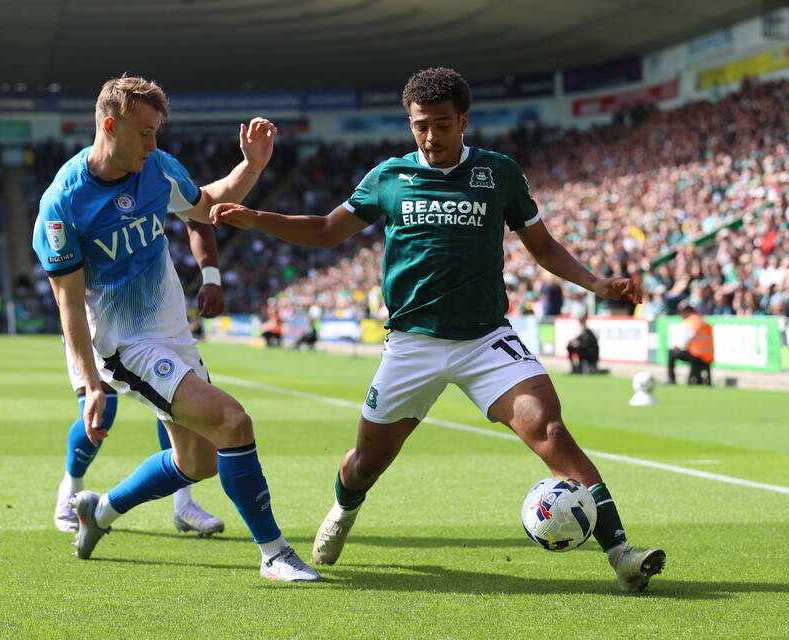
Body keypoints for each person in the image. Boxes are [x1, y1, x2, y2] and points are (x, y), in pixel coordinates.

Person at [213, 67, 665, 592]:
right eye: (421, 125)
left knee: (551, 431)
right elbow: (324, 231)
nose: (432, 136)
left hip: (485, 340)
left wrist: (595, 283)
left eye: (443, 124)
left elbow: (540, 245)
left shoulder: (499, 173)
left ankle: (622, 555)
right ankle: (343, 508)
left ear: (464, 121)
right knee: (365, 463)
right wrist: (257, 217)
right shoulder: (388, 177)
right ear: (410, 123)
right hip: (412, 345)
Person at [32, 74, 320, 582]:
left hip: (174, 336)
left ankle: (99, 511)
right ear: (109, 125)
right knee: (233, 422)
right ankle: (274, 553)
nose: (153, 142)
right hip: (127, 346)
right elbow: (69, 303)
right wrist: (92, 382)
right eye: (144, 131)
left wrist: (251, 167)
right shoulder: (62, 204)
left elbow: (209, 207)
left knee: (198, 461)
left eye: (156, 131)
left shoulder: (158, 168)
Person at [53, 219, 228, 538]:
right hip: (93, 321)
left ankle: (183, 504)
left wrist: (211, 276)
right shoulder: (67, 198)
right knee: (102, 411)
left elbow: (200, 208)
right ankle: (71, 489)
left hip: (148, 319)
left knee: (175, 403)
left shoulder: (149, 174)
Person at [666, 303, 714, 385]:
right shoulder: (703, 320)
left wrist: (675, 346)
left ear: (688, 312)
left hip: (696, 355)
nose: (681, 315)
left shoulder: (689, 323)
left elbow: (680, 343)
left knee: (672, 352)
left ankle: (671, 379)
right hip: (708, 357)